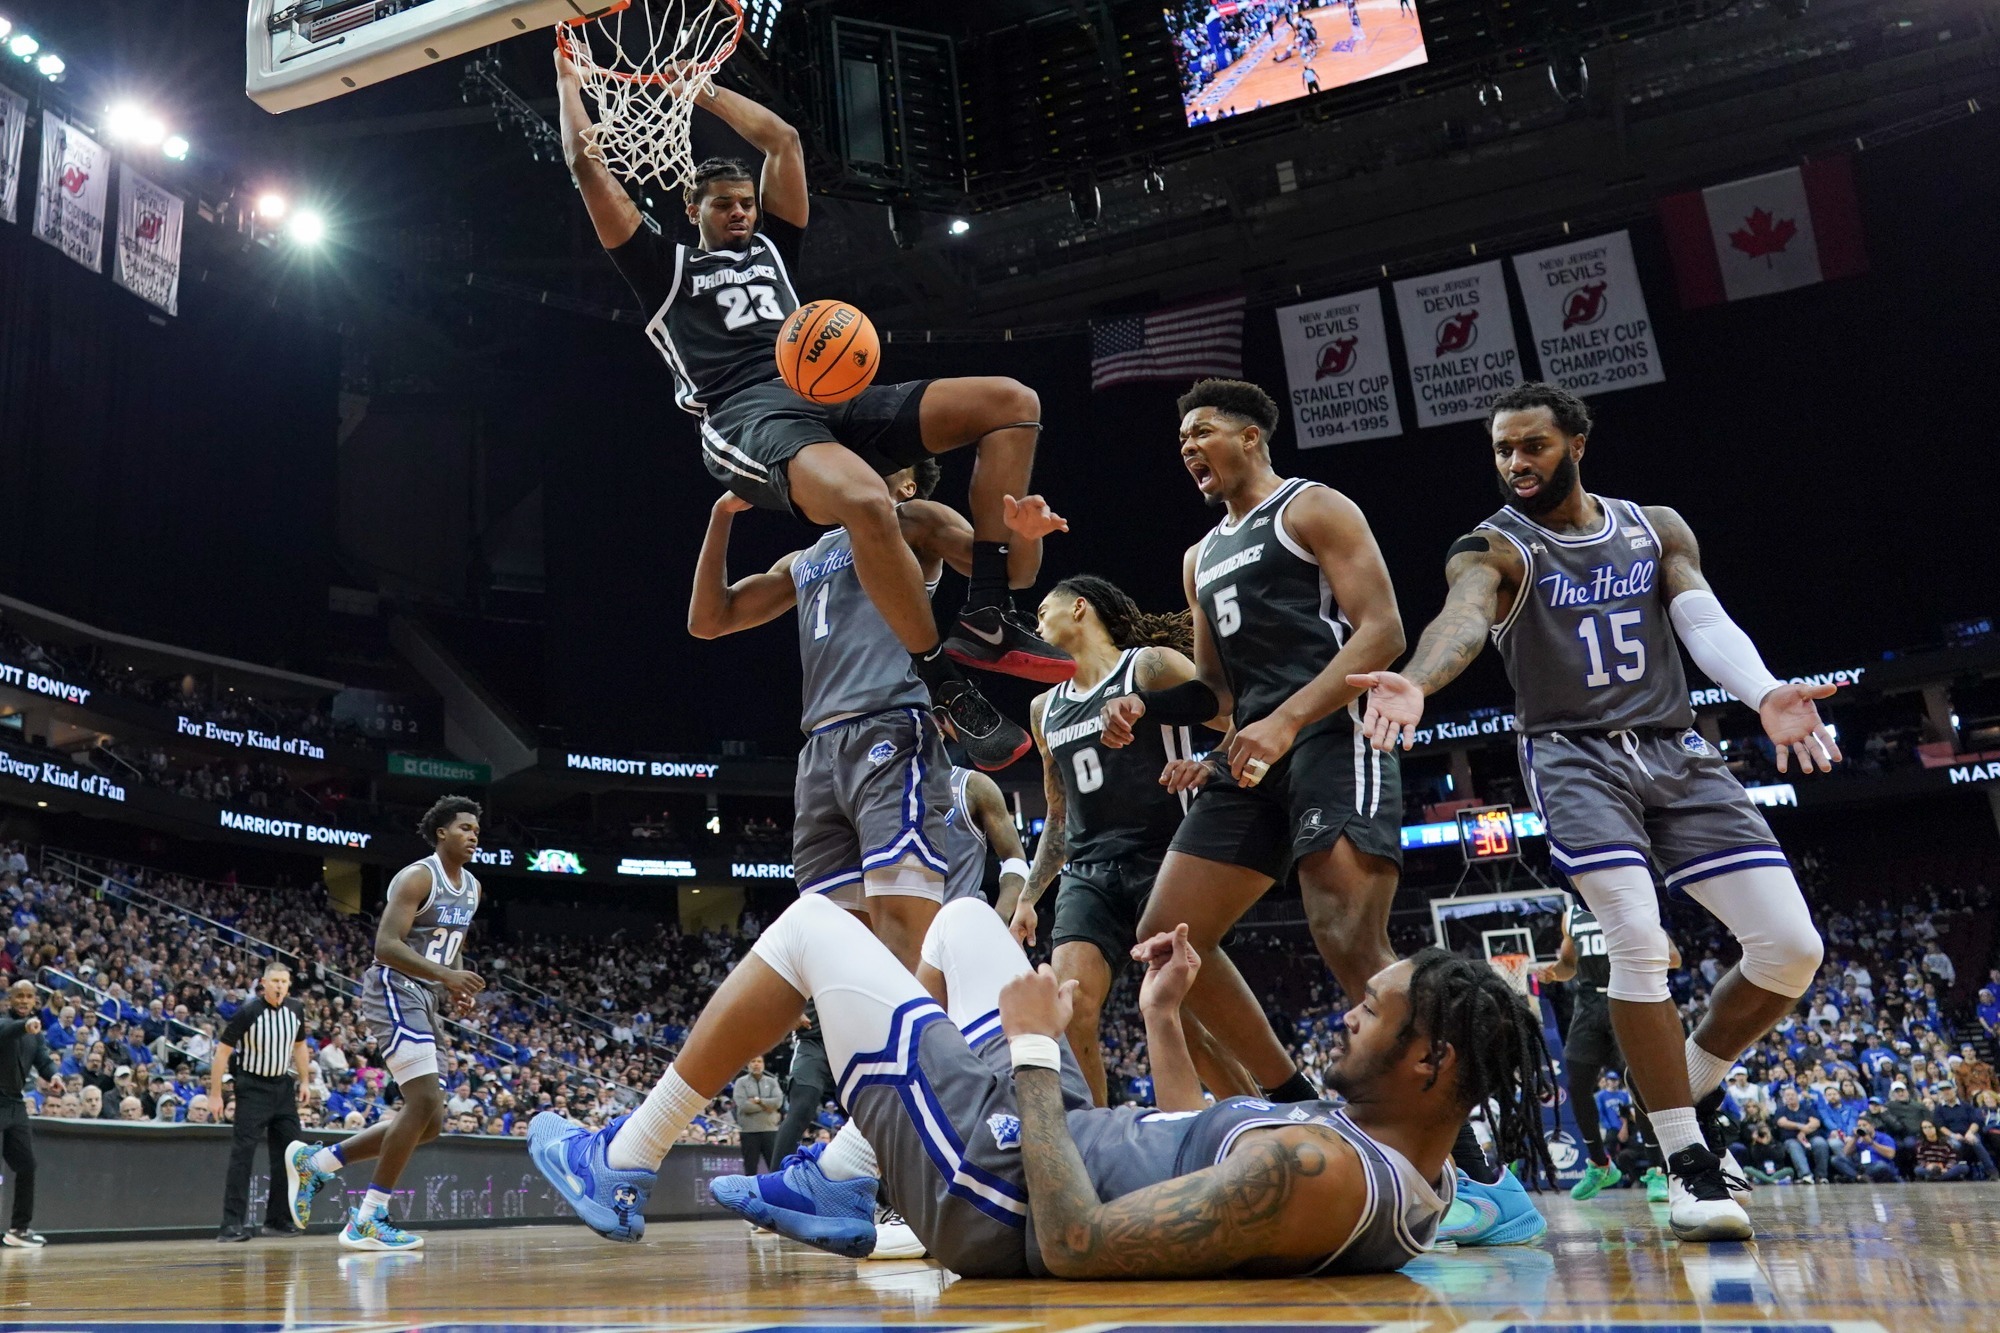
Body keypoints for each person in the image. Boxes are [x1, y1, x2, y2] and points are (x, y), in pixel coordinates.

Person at [1350, 381, 1834, 1240]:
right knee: (1636, 937)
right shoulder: (1495, 546)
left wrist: (1763, 694)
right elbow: (1461, 617)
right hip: (1574, 758)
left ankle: (1682, 1080)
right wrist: (1418, 683)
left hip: (1677, 750)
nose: (1515, 463)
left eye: (1531, 445)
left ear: (1578, 441)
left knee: (1793, 949)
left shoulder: (1656, 527)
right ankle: (1686, 1159)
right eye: (1502, 449)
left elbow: (1701, 617)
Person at [530, 889, 1555, 1279]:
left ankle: (624, 1160)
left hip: (1000, 1183)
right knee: (967, 924)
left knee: (808, 926)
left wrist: (1028, 1050)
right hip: (1043, 1137)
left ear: (1430, 1061)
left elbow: (1074, 1245)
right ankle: (845, 1176)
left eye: (1369, 1012)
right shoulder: (1371, 1167)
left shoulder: (1314, 1163)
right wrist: (1158, 1018)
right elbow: (1186, 1145)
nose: (1345, 1014)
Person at [554, 49, 1068, 765]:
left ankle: (985, 611)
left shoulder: (772, 250)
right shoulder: (663, 268)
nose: (739, 211)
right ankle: (944, 683)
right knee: (867, 500)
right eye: (723, 203)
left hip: (828, 393)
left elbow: (783, 142)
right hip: (747, 417)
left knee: (1012, 401)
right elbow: (587, 168)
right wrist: (569, 86)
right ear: (692, 209)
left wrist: (698, 88)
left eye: (745, 203)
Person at [1100, 379, 1405, 1100]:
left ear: (1250, 437)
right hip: (1253, 755)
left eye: (1202, 432)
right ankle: (1291, 1101)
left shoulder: (1313, 505)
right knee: (1167, 936)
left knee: (1347, 935)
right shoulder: (1198, 556)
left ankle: (1471, 1157)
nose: (1188, 448)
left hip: (1335, 733)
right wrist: (1143, 703)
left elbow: (1384, 630)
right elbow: (1217, 691)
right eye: (1182, 442)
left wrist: (1290, 717)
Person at [687, 462, 1063, 971]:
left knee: (903, 932)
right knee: (835, 943)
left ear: (906, 483)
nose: (860, 459)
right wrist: (721, 514)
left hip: (890, 726)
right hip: (819, 747)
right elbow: (709, 620)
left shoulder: (910, 520)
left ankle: (923, 1045)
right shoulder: (804, 559)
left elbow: (1010, 570)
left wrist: (1026, 537)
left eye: (883, 458)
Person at [1019, 574, 1249, 1106]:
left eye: (1042, 609)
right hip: (1088, 872)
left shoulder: (1147, 665)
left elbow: (1240, 715)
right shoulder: (1043, 709)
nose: (1035, 622)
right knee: (1070, 1009)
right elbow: (1058, 816)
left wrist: (1210, 766)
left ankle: (1260, 1130)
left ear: (1079, 608)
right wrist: (1030, 897)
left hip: (1167, 862)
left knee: (1193, 1025)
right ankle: (1096, 1152)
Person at [283, 796, 486, 1252]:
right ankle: (368, 1218)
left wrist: (455, 984)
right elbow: (385, 946)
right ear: (441, 833)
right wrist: (445, 975)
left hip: (426, 996)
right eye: (465, 828)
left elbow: (449, 946)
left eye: (477, 830)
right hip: (394, 986)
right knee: (424, 1100)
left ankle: (317, 1164)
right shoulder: (419, 876)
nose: (474, 835)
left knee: (429, 1122)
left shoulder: (472, 887)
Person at [1538, 896, 1679, 1200]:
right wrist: (1553, 973)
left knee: (1638, 1086)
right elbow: (1568, 966)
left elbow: (1674, 957)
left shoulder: (1631, 905)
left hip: (1626, 1000)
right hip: (1587, 1007)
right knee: (1577, 1086)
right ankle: (1600, 1165)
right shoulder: (1572, 916)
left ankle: (1657, 1170)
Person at [211, 961, 312, 1242]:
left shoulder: (296, 1010)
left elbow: (300, 1046)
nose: (279, 985)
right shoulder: (249, 1012)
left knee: (290, 1154)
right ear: (264, 984)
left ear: (288, 984)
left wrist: (305, 1081)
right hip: (252, 1088)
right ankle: (230, 1225)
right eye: (274, 981)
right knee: (242, 1156)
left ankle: (277, 1220)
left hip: (282, 1087)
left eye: (284, 981)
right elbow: (222, 1053)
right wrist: (216, 1093)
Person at [0, 980, 55, 1246]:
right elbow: (7, 1030)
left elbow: (42, 1059)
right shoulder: (4, 1024)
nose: (23, 1000)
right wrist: (25, 1025)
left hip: (15, 1105)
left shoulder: (35, 1033)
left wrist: (53, 1076)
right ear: (9, 999)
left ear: (35, 1001)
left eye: (29, 996)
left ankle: (18, 1230)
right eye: (18, 996)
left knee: (27, 1165)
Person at [732, 1056, 782, 1177]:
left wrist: (758, 1101)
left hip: (770, 1131)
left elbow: (778, 1102)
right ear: (748, 1065)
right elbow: (743, 1106)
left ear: (763, 1064)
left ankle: (776, 1194)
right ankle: (751, 1194)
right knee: (750, 1169)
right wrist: (767, 1106)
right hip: (749, 1131)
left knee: (775, 1167)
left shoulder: (771, 1081)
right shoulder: (741, 1082)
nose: (756, 1064)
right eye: (753, 1061)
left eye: (759, 1061)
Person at [1773, 1085, 1830, 1183]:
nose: (1790, 1097)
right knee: (1794, 1146)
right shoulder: (1781, 1110)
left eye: (1792, 1095)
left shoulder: (1807, 1108)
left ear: (1797, 1096)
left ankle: (1821, 1176)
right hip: (1791, 1139)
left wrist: (1804, 1132)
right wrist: (1801, 1126)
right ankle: (1806, 1175)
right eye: (1787, 1095)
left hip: (1811, 1137)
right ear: (1784, 1098)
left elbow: (1816, 1122)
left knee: (1821, 1143)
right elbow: (1782, 1122)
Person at [1836, 1116, 1903, 1183]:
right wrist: (1855, 1138)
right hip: (1863, 1166)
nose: (1862, 1127)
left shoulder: (1884, 1137)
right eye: (1859, 1125)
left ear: (1872, 1126)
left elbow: (1891, 1154)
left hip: (1878, 1165)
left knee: (1881, 1165)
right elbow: (1846, 1152)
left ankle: (1862, 1178)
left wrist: (1871, 1143)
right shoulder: (1859, 1139)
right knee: (1836, 1159)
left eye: (1864, 1125)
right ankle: (1859, 1178)